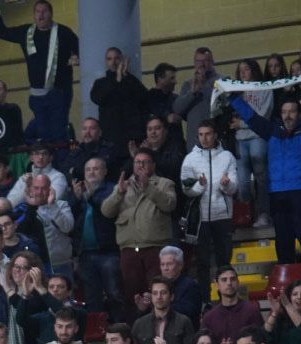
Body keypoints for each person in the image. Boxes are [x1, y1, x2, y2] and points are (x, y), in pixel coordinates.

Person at [232, 82, 301, 277]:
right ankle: (288, 282)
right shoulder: (271, 131)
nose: (288, 115)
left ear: (299, 114)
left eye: (292, 111)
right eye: (285, 111)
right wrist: (232, 98)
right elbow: (251, 117)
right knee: (283, 241)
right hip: (277, 194)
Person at [0, 0, 80, 142]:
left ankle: (64, 158)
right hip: (37, 96)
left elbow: (83, 51)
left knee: (58, 133)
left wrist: (76, 58)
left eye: (44, 11)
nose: (41, 15)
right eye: (38, 12)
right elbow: (0, 31)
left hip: (59, 92)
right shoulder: (26, 32)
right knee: (43, 135)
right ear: (34, 15)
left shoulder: (64, 33)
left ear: (51, 14)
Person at [103, 152, 177, 306]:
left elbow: (169, 204)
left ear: (153, 165)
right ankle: (134, 328)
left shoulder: (165, 183)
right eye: (137, 162)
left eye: (145, 162)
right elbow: (106, 211)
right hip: (129, 248)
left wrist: (148, 188)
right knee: (132, 294)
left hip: (155, 247)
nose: (141, 165)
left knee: (157, 293)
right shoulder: (122, 185)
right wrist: (119, 193)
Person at [179, 121, 238, 288]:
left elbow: (234, 188)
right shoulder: (190, 159)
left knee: (224, 262)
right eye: (201, 134)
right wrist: (200, 186)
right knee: (202, 263)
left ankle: (226, 298)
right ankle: (205, 301)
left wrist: (226, 184)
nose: (204, 138)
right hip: (200, 219)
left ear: (215, 135)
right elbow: (186, 189)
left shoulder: (227, 156)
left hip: (223, 216)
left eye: (208, 134)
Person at [72, 157, 123, 319]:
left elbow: (106, 211)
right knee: (91, 296)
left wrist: (89, 197)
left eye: (96, 169)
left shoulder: (112, 189)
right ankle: (97, 332)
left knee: (114, 292)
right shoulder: (79, 191)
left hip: (108, 252)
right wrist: (76, 199)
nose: (91, 172)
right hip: (85, 253)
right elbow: (71, 222)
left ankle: (119, 328)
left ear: (105, 171)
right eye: (88, 169)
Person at [229, 58, 273, 228]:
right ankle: (246, 213)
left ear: (254, 70)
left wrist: (242, 124)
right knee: (242, 181)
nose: (243, 73)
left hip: (257, 136)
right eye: (240, 70)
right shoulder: (236, 91)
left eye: (246, 69)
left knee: (261, 177)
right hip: (240, 138)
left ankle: (264, 213)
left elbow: (264, 115)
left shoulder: (265, 88)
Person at [91, 45, 149, 147]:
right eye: (109, 59)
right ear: (106, 61)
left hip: (132, 136)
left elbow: (144, 97)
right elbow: (98, 98)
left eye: (116, 58)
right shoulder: (100, 83)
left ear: (121, 60)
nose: (113, 62)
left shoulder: (130, 80)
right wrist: (117, 79)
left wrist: (125, 75)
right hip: (110, 136)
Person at [201, 266, 263, 344]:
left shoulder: (251, 310)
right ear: (217, 284)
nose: (229, 283)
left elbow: (261, 341)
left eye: (232, 279)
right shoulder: (209, 317)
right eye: (224, 280)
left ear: (238, 282)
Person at [132, 277, 195, 344]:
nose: (159, 297)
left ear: (171, 296)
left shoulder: (183, 322)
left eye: (163, 293)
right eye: (155, 293)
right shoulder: (139, 324)